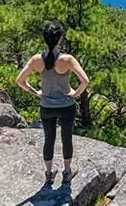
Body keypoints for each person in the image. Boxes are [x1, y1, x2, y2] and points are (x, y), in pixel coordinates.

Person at [16, 20, 89, 184]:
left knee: (49, 139)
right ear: (60, 39)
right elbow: (85, 81)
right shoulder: (68, 60)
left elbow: (19, 81)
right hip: (66, 106)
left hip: (46, 106)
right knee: (67, 139)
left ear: (45, 39)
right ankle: (67, 172)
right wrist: (75, 94)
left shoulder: (36, 60)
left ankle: (49, 174)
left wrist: (36, 92)